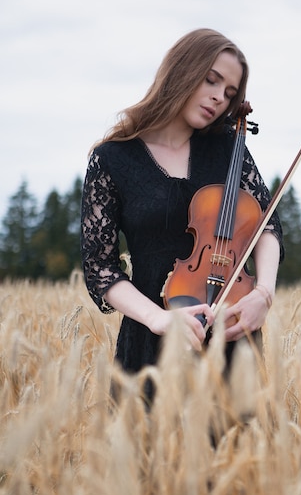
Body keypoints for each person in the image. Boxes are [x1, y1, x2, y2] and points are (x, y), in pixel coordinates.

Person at [81, 28, 284, 381]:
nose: (220, 98)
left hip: (230, 336)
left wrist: (263, 294)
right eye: (211, 81)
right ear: (182, 71)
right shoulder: (112, 159)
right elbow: (101, 268)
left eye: (230, 93)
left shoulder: (227, 149)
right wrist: (157, 318)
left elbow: (265, 224)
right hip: (150, 343)